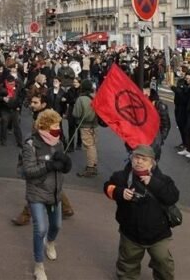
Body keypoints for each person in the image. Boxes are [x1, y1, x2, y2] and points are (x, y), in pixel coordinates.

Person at [103, 145, 179, 280]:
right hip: (130, 234)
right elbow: (107, 188)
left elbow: (172, 197)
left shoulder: (164, 180)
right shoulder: (121, 177)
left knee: (164, 265)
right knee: (127, 266)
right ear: (131, 159)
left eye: (144, 159)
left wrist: (153, 183)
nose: (139, 162)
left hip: (158, 235)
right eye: (136, 158)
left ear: (152, 162)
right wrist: (119, 192)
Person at [20, 109, 72, 280]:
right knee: (40, 228)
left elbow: (62, 168)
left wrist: (65, 164)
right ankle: (39, 265)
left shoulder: (59, 143)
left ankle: (50, 242)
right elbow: (27, 171)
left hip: (55, 192)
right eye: (55, 125)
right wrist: (49, 166)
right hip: (36, 192)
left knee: (56, 226)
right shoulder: (31, 145)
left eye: (59, 125)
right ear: (45, 126)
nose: (58, 129)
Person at [73, 79, 99, 177]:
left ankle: (90, 167)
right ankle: (94, 164)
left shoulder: (81, 99)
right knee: (93, 145)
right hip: (95, 124)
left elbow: (76, 113)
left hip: (85, 125)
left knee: (89, 146)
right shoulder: (96, 97)